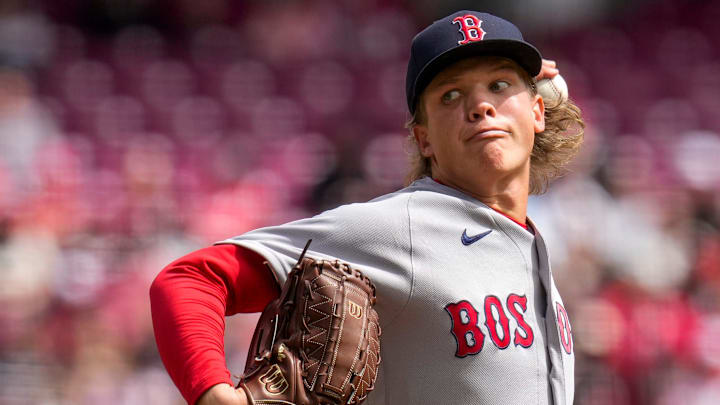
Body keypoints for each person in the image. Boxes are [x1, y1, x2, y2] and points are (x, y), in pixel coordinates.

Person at [150, 10, 584, 405]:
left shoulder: (530, 245)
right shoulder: (404, 227)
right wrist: (213, 394)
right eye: (450, 96)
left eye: (498, 84)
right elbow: (189, 280)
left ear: (538, 112)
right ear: (423, 139)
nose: (480, 106)